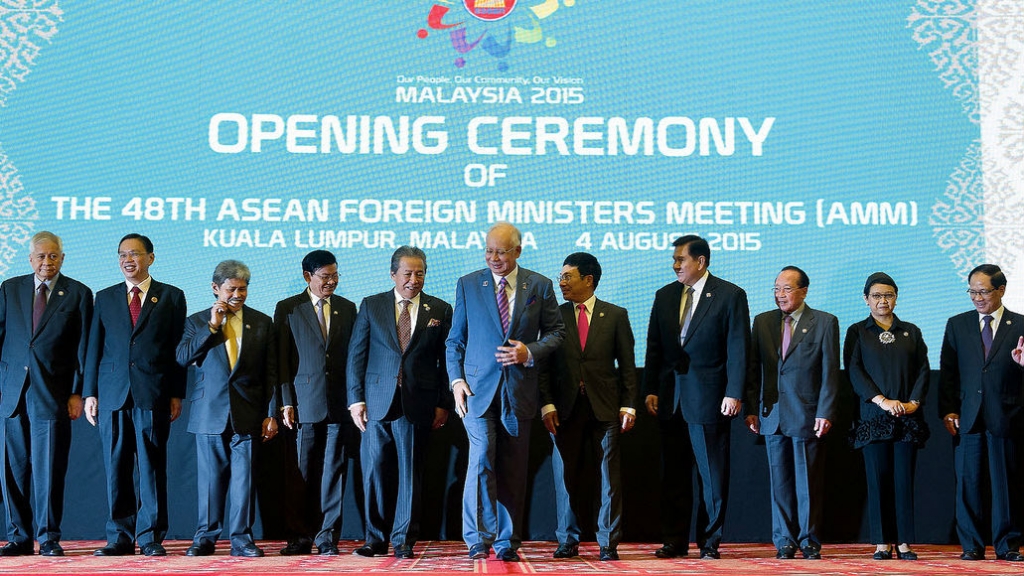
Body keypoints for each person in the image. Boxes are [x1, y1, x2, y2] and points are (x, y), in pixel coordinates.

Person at [446, 222, 565, 561]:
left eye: (500, 251)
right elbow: (455, 339)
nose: (493, 257)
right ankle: (477, 537)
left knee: (514, 467)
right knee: (482, 458)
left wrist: (529, 351)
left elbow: (557, 333)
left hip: (520, 391)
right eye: (488, 250)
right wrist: (456, 381)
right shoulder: (469, 284)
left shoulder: (539, 285)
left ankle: (506, 542)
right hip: (476, 391)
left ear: (517, 251)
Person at [643, 235, 749, 560]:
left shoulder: (730, 295)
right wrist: (649, 388)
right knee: (673, 476)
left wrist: (734, 391)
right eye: (674, 260)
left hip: (709, 396)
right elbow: (655, 346)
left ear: (700, 262)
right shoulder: (665, 295)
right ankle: (674, 541)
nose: (675, 265)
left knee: (711, 475)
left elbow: (738, 347)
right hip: (670, 398)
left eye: (681, 260)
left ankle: (709, 541)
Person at [83, 233, 187, 557]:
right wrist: (89, 394)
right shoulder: (105, 297)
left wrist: (176, 393)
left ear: (151, 258)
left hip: (152, 393)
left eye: (135, 254)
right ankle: (120, 536)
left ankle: (150, 536)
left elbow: (177, 351)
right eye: (122, 255)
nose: (128, 260)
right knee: (116, 468)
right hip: (112, 394)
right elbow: (93, 350)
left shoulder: (171, 296)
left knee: (151, 467)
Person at [347, 246, 453, 559]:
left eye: (419, 273)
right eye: (407, 273)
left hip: (418, 403)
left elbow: (447, 361)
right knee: (375, 473)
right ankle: (375, 539)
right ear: (393, 273)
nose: (413, 279)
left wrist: (444, 402)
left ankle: (403, 539)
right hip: (377, 403)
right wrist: (355, 399)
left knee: (410, 474)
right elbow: (356, 355)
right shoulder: (371, 305)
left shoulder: (440, 309)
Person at [539, 252, 637, 562]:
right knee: (563, 476)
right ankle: (567, 540)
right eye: (561, 276)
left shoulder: (616, 315)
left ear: (588, 280)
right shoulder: (554, 315)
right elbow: (543, 367)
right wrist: (547, 404)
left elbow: (628, 367)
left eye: (568, 276)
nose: (562, 282)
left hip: (605, 407)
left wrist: (629, 405)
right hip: (564, 409)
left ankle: (608, 542)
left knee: (609, 478)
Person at [176, 260, 277, 558]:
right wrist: (212, 326)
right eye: (231, 289)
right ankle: (205, 538)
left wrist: (271, 412)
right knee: (209, 481)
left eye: (242, 289)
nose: (237, 294)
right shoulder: (196, 321)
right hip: (209, 412)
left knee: (244, 481)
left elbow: (270, 372)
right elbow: (183, 357)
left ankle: (242, 539)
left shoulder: (261, 322)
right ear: (215, 288)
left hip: (249, 412)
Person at [0, 231, 92, 557]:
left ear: (62, 258)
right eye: (41, 256)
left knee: (49, 470)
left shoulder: (78, 293)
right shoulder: (10, 288)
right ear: (30, 259)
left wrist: (78, 392)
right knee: (12, 470)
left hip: (52, 395)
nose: (47, 262)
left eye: (53, 256)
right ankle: (19, 537)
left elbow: (84, 348)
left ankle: (49, 537)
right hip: (12, 395)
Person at [745, 266, 839, 560]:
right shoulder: (762, 322)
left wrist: (825, 411)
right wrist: (751, 409)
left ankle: (809, 539)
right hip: (771, 414)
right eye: (776, 289)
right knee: (780, 482)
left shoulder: (824, 322)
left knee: (807, 481)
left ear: (804, 291)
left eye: (786, 289)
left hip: (807, 414)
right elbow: (752, 370)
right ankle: (784, 539)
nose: (780, 295)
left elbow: (830, 372)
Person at [273, 250, 357, 556]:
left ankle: (327, 537)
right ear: (308, 277)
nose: (331, 282)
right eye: (325, 276)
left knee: (334, 472)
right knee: (301, 473)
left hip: (338, 402)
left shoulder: (348, 308)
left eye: (335, 275)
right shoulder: (288, 308)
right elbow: (282, 358)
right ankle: (299, 536)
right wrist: (285, 401)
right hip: (302, 402)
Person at [938, 264, 1024, 562]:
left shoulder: (1021, 325)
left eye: (983, 291)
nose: (976, 297)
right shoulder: (957, 324)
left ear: (1001, 290)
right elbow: (948, 373)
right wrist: (948, 411)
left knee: (1005, 486)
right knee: (968, 484)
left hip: (1007, 416)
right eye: (972, 291)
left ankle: (1007, 545)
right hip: (968, 416)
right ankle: (971, 545)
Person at [844, 272, 929, 561]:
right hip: (873, 416)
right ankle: (881, 542)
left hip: (906, 416)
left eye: (888, 295)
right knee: (877, 480)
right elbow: (854, 370)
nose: (883, 300)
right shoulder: (857, 331)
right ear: (865, 299)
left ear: (896, 297)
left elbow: (922, 370)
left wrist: (913, 402)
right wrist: (881, 401)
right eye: (877, 295)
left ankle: (904, 541)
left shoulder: (911, 331)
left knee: (903, 480)